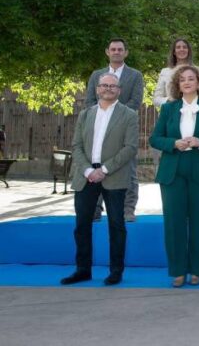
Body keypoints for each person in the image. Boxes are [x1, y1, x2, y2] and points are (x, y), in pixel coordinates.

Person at [149, 66, 199, 287]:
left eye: (191, 79)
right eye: (182, 79)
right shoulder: (168, 109)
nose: (186, 82)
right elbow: (155, 139)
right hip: (172, 171)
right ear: (177, 85)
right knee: (173, 222)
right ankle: (177, 270)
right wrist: (173, 143)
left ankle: (197, 270)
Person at [61, 73, 138, 286]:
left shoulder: (129, 115)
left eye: (113, 86)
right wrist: (87, 170)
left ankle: (116, 271)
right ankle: (82, 270)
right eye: (104, 85)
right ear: (97, 89)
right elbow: (76, 146)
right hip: (85, 177)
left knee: (116, 225)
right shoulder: (85, 114)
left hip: (113, 176)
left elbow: (130, 148)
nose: (108, 89)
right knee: (82, 225)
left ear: (119, 91)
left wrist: (104, 169)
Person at [84, 38, 144, 222]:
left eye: (120, 49)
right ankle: (94, 209)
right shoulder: (96, 75)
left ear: (126, 52)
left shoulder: (135, 75)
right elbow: (89, 102)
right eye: (113, 49)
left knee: (129, 169)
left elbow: (135, 101)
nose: (116, 52)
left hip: (124, 128)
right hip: (99, 129)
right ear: (107, 52)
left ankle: (127, 209)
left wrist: (117, 118)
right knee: (97, 167)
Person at [152, 38, 199, 107]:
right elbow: (156, 99)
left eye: (184, 47)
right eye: (178, 47)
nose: (181, 49)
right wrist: (169, 101)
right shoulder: (165, 72)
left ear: (188, 51)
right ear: (174, 52)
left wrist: (192, 103)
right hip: (171, 113)